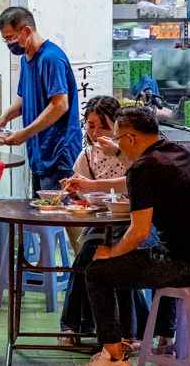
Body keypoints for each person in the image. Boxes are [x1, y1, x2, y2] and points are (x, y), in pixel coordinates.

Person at [84, 106, 190, 365]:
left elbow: (138, 233)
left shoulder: (143, 169)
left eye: (118, 139)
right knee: (139, 257)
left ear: (131, 139)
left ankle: (113, 355)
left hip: (188, 265)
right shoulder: (178, 152)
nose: (118, 146)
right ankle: (160, 338)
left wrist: (111, 252)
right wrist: (116, 153)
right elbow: (138, 171)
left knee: (97, 272)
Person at [61, 96, 150, 354]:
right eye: (90, 126)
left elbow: (135, 182)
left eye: (102, 126)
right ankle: (74, 327)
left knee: (116, 259)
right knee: (87, 256)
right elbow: (80, 195)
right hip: (100, 222)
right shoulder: (86, 157)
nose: (95, 133)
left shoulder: (130, 153)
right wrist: (75, 192)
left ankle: (127, 331)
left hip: (133, 220)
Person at [0, 6, 81, 192]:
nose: (8, 44)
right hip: (39, 153)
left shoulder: (50, 58)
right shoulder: (26, 59)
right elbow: (24, 100)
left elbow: (60, 105)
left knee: (55, 216)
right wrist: (4, 118)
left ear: (27, 31)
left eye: (10, 38)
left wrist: (25, 133)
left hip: (58, 155)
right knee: (39, 216)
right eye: (5, 39)